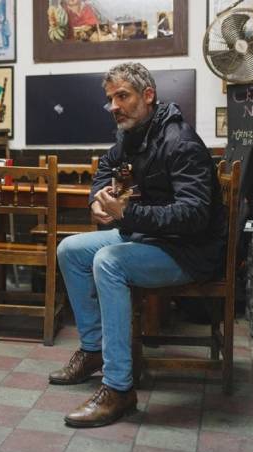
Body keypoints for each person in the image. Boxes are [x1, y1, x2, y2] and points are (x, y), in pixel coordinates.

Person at [49, 62, 226, 427]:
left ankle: (119, 389)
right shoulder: (130, 137)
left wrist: (128, 214)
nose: (114, 105)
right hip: (151, 238)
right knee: (70, 249)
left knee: (109, 261)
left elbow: (194, 215)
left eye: (123, 96)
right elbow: (103, 172)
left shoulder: (181, 141)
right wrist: (97, 200)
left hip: (189, 251)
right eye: (110, 99)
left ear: (148, 96)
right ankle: (94, 350)